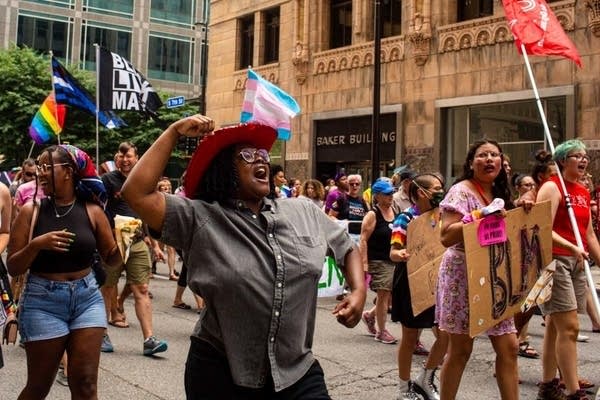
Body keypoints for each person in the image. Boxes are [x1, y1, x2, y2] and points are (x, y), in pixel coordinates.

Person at [121, 115, 366, 398]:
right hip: (220, 373)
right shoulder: (200, 217)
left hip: (296, 371)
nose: (260, 160)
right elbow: (136, 193)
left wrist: (358, 291)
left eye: (263, 155)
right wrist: (174, 132)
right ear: (226, 169)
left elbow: (347, 247)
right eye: (247, 156)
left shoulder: (303, 211)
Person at [7, 144, 121, 399]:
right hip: (42, 302)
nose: (40, 173)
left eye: (47, 167)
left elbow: (111, 260)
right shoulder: (31, 211)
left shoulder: (93, 212)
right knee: (38, 387)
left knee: (85, 384)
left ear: (69, 171)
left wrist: (126, 241)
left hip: (87, 299)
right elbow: (13, 266)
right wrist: (37, 245)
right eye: (39, 167)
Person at [437, 139, 523, 400]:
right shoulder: (460, 192)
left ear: (502, 162)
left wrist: (523, 208)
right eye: (482, 155)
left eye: (494, 155)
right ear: (471, 162)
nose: (489, 160)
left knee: (509, 347)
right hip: (463, 274)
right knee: (461, 349)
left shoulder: (499, 194)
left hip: (495, 275)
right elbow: (446, 236)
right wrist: (479, 216)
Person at [536, 139, 600, 400]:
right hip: (554, 262)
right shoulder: (552, 187)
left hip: (576, 262)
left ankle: (548, 385)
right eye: (576, 156)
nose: (583, 160)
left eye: (585, 156)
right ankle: (573, 392)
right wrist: (571, 247)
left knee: (555, 325)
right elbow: (541, 229)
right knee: (571, 327)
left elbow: (590, 235)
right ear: (562, 161)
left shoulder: (583, 193)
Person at [100, 141, 167, 356]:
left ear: (137, 158)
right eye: (120, 157)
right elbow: (98, 211)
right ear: (116, 159)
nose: (125, 160)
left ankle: (149, 339)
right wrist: (106, 236)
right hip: (113, 242)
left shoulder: (145, 181)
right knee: (107, 288)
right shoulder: (107, 181)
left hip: (137, 242)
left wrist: (154, 244)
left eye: (129, 156)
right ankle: (101, 334)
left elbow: (149, 213)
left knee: (142, 288)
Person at [390, 173, 449, 400]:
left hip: (438, 281)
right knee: (410, 338)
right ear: (420, 193)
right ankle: (404, 389)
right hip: (410, 281)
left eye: (441, 188)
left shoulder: (443, 216)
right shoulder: (405, 220)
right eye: (435, 189)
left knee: (445, 337)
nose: (440, 192)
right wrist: (400, 253)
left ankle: (425, 378)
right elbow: (393, 251)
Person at [360, 178, 397, 344]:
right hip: (379, 260)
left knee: (390, 294)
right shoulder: (372, 215)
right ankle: (382, 332)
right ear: (378, 196)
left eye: (392, 193)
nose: (391, 196)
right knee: (383, 294)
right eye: (387, 194)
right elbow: (363, 240)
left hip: (393, 258)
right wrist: (364, 264)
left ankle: (369, 315)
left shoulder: (394, 210)